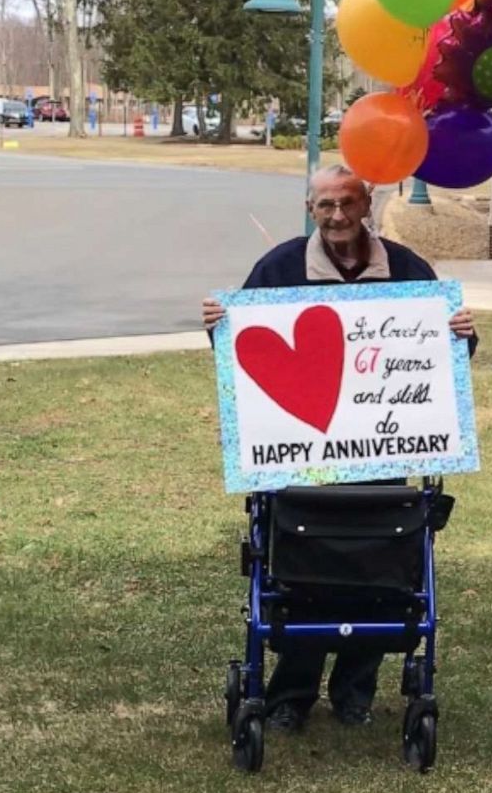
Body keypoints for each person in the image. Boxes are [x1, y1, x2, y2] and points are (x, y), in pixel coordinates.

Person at [202, 164, 476, 731]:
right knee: (304, 577)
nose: (335, 216)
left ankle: (356, 692)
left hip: (382, 452)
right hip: (302, 460)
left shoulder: (405, 268)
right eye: (323, 205)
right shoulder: (279, 267)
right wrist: (218, 325)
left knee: (375, 574)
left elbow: (443, 361)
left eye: (346, 204)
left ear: (366, 204)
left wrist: (460, 335)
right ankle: (290, 696)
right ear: (311, 208)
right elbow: (244, 356)